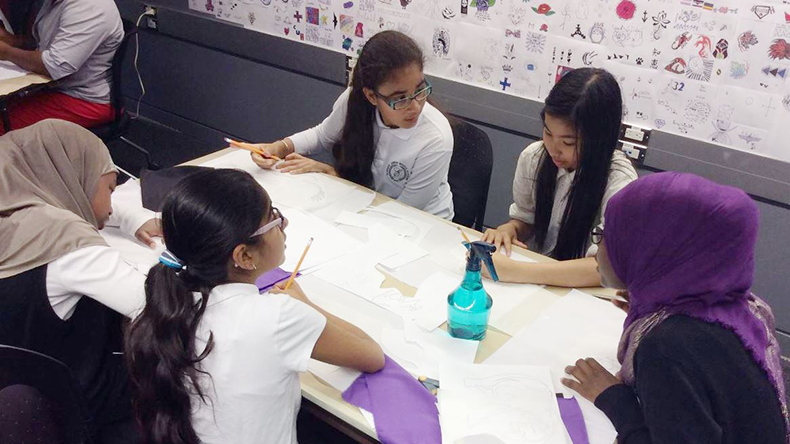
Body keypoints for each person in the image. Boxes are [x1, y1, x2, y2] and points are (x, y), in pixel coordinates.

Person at [125, 168, 385, 444]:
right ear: (245, 255)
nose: (283, 225)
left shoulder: (168, 302)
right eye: (273, 218)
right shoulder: (278, 317)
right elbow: (371, 356)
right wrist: (308, 306)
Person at [561, 172, 789, 444]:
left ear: (652, 251)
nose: (595, 249)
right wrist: (647, 311)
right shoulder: (748, 306)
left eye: (608, 234)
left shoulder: (667, 347)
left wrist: (613, 398)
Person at [0, 119, 158, 443]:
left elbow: (94, 206)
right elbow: (154, 304)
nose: (111, 208)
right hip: (81, 396)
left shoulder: (14, 211)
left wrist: (131, 219)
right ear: (73, 176)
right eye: (110, 189)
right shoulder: (64, 240)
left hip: (21, 389)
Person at [248, 30, 455, 219]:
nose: (415, 106)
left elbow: (404, 211)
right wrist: (278, 147)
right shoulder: (355, 101)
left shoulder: (436, 136)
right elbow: (322, 136)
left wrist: (337, 178)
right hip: (364, 208)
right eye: (400, 98)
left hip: (421, 224)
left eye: (419, 90)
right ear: (372, 96)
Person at [481, 68, 637, 287]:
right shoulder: (534, 157)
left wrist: (517, 271)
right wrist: (511, 229)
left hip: (586, 294)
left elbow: (603, 268)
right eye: (547, 133)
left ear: (599, 139)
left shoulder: (620, 182)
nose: (553, 149)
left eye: (568, 142)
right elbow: (527, 219)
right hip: (539, 281)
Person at [0, 0, 124, 134]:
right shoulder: (55, 2)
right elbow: (44, 44)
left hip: (84, 99)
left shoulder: (90, 7)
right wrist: (14, 41)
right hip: (55, 87)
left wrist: (6, 52)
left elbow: (54, 66)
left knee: (3, 125)